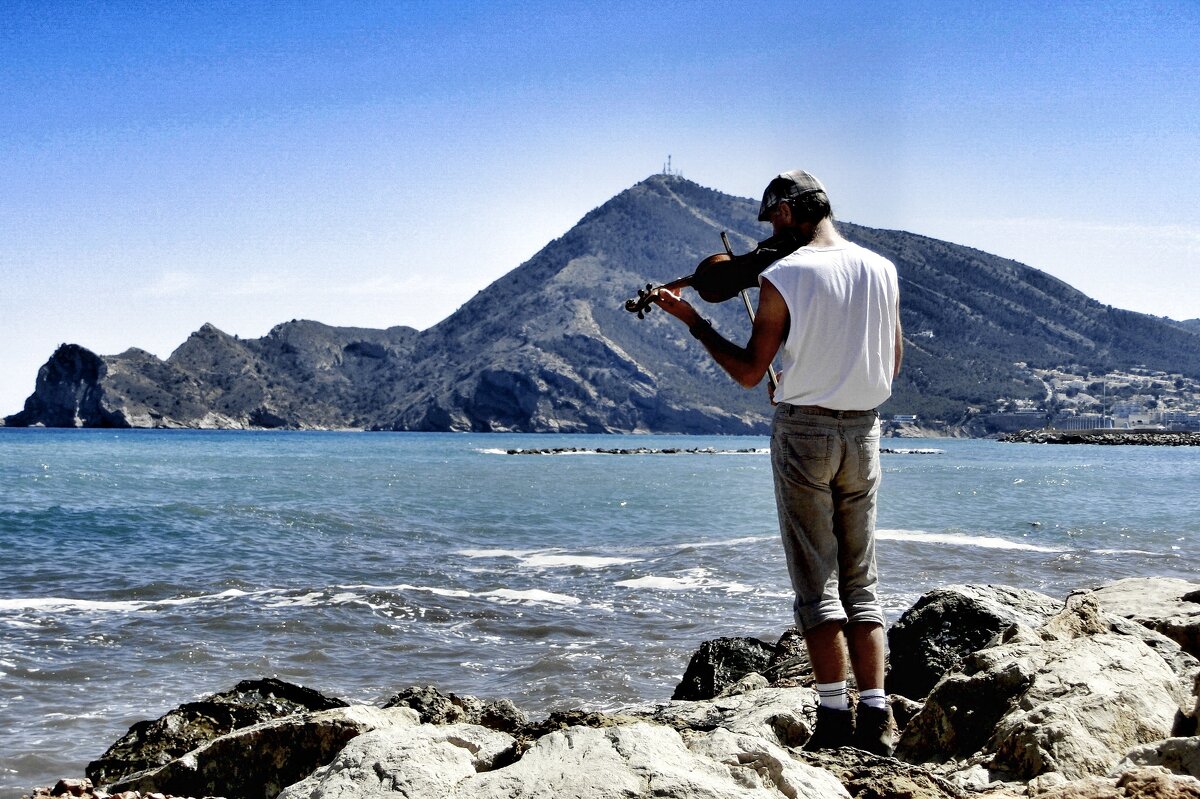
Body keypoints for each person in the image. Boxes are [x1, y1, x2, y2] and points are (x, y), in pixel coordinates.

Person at [649, 169, 902, 755]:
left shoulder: (782, 273)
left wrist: (693, 322)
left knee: (817, 584)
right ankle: (878, 719)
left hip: (805, 435)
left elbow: (746, 372)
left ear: (786, 212)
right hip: (865, 433)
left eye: (771, 220)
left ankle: (835, 718)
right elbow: (890, 365)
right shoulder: (882, 269)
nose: (768, 232)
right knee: (862, 582)